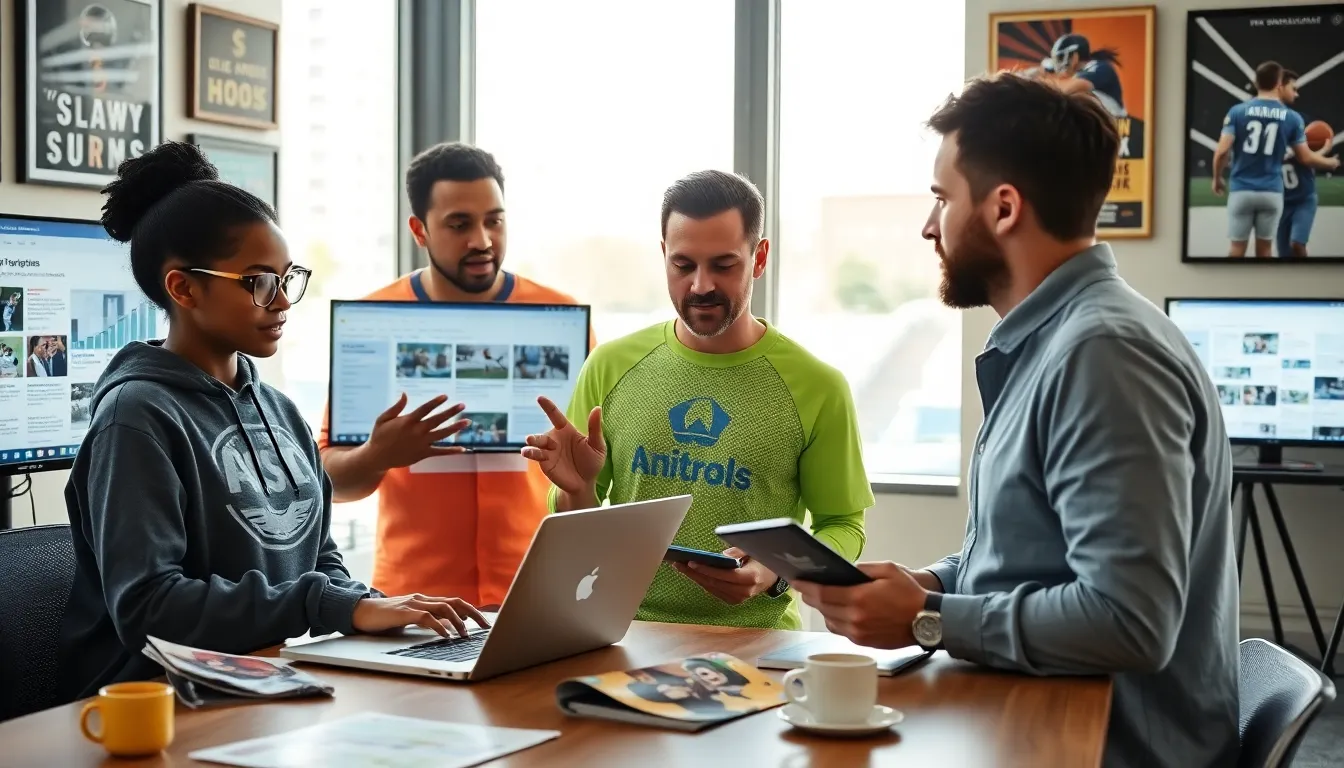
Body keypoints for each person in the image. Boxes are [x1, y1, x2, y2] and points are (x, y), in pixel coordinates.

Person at [792, 72, 1240, 768]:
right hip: (1035, 716)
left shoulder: (1102, 354)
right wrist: (929, 586)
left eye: (942, 198)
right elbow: (1028, 557)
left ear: (1004, 208)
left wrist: (924, 620)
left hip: (1100, 748)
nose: (927, 225)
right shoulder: (1055, 342)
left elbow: (1129, 622)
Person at [56, 141, 488, 702]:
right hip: (165, 703)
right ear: (183, 287)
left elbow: (320, 562)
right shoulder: (135, 418)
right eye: (260, 282)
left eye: (289, 278)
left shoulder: (280, 411)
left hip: (269, 684)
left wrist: (383, 612)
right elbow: (149, 606)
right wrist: (336, 606)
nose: (283, 300)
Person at [521, 170, 872, 631]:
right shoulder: (610, 366)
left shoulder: (817, 386)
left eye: (723, 265)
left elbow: (844, 526)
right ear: (664, 255)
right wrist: (576, 489)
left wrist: (775, 571)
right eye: (683, 265)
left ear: (759, 257)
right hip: (625, 632)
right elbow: (577, 527)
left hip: (761, 646)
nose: (701, 285)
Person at [318, 142, 596, 610]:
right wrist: (376, 455)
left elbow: (587, 476)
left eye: (495, 220)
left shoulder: (565, 321)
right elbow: (329, 481)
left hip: (536, 591)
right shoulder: (372, 323)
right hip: (411, 603)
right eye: (460, 224)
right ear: (419, 231)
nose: (483, 240)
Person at [1213, 60, 1337, 258]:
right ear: (1279, 83)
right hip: (1271, 192)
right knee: (1265, 252)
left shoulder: (1237, 112)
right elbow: (1304, 157)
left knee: (1236, 249)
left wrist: (1217, 178)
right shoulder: (1292, 118)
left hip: (1241, 190)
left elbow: (1221, 151)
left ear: (1256, 82)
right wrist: (1328, 160)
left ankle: (1229, 288)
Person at [1276, 69, 1320, 259]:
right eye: (1293, 89)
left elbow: (1309, 155)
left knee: (1297, 244)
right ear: (1280, 87)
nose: (1297, 94)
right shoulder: (1262, 123)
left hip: (1303, 196)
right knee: (1283, 254)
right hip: (1280, 201)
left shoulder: (1300, 120)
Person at [1047, 33, 1126, 117]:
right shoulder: (1085, 72)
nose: (1058, 64)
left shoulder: (1100, 68)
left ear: (1075, 56)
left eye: (1061, 57)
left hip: (1115, 124)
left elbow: (1066, 89)